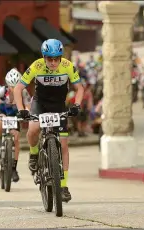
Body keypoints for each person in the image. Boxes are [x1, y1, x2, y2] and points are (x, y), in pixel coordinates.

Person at [14, 39, 84, 203]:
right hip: (40, 104)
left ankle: (64, 186)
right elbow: (18, 88)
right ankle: (33, 154)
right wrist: (21, 110)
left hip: (59, 105)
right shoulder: (37, 66)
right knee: (32, 130)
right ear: (44, 57)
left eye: (56, 59)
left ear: (60, 57)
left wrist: (77, 105)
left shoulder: (67, 66)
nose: (53, 63)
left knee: (64, 145)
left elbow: (79, 88)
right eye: (49, 59)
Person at [0, 68, 31, 182]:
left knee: (16, 138)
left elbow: (28, 107)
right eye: (11, 85)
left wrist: (25, 115)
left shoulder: (24, 92)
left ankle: (13, 168)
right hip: (2, 113)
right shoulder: (2, 90)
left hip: (15, 115)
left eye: (16, 85)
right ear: (7, 84)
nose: (13, 88)